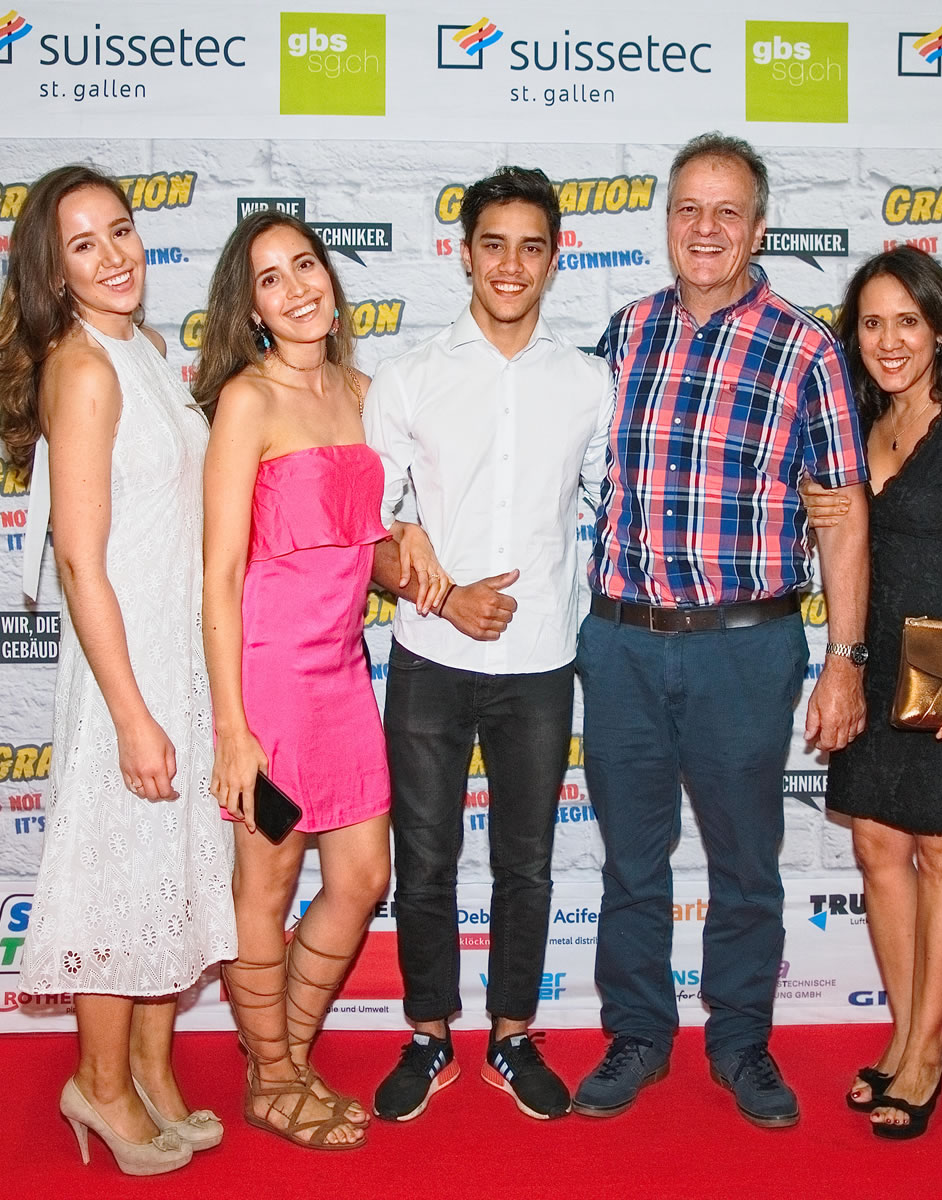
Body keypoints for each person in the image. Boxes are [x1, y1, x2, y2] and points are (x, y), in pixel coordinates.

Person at [573, 133, 870, 1129]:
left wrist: (844, 660)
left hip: (746, 648)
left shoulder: (806, 349)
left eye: (726, 211)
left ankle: (739, 1041)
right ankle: (636, 1034)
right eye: (687, 209)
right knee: (630, 861)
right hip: (621, 641)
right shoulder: (625, 333)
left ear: (759, 228)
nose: (705, 229)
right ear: (667, 220)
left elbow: (843, 517)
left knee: (746, 863)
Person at [0, 164, 236, 1176]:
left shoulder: (147, 350)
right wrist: (131, 713)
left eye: (120, 231)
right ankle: (96, 1082)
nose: (114, 255)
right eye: (83, 245)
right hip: (125, 665)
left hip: (177, 652)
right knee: (115, 875)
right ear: (54, 273)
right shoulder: (83, 369)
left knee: (163, 871)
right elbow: (81, 562)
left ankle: (147, 1069)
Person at [194, 211, 449, 1150]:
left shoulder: (365, 394)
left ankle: (283, 1054)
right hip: (266, 677)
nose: (296, 287)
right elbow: (220, 572)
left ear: (331, 281)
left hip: (342, 671)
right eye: (270, 279)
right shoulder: (247, 401)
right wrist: (233, 729)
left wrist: (411, 532)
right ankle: (271, 1079)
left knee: (361, 877)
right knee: (265, 889)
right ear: (251, 309)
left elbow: (381, 521)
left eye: (304, 265)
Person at [365, 166, 614, 1122]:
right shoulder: (408, 378)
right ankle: (429, 1034)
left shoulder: (588, 383)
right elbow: (370, 530)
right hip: (429, 655)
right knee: (423, 863)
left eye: (530, 246)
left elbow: (613, 509)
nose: (511, 265)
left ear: (555, 258)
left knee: (527, 864)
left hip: (541, 661)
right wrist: (441, 594)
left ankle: (512, 1035)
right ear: (463, 253)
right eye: (493, 244)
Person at [801, 246, 942, 1139]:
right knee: (874, 847)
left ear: (938, 326)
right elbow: (841, 539)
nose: (888, 339)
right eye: (871, 323)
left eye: (906, 320)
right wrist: (815, 507)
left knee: (941, 852)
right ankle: (906, 1033)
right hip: (872, 662)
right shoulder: (855, 416)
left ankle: (928, 1050)